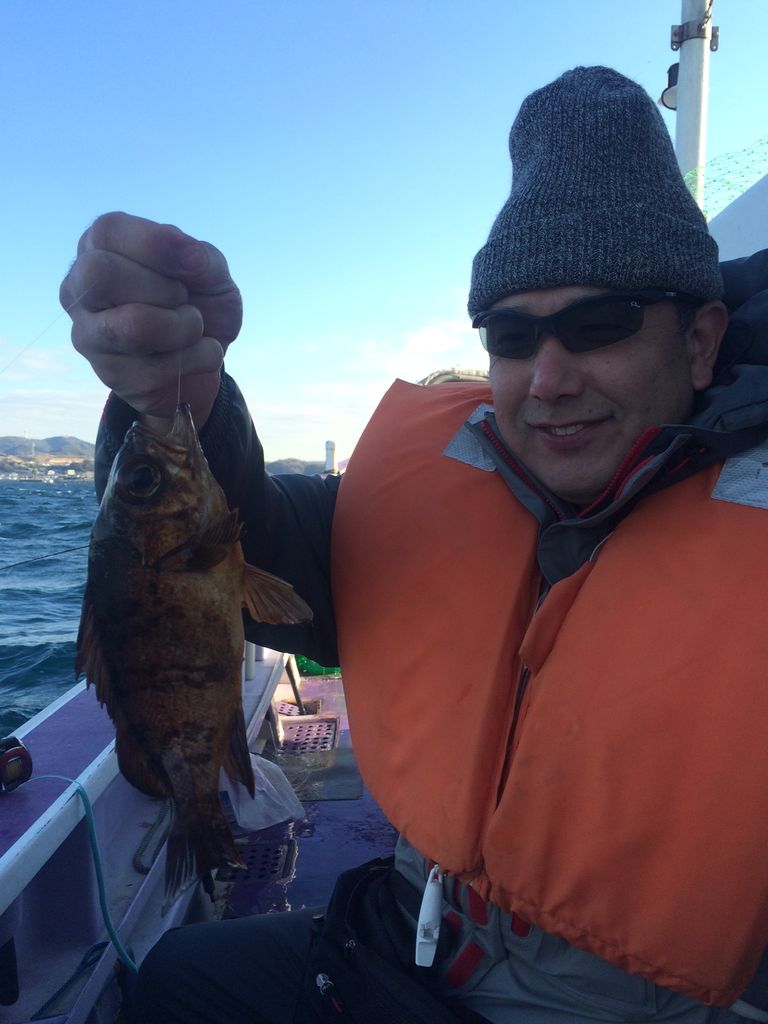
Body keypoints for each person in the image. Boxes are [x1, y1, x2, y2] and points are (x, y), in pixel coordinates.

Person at [61, 67, 768, 1024]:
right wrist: (175, 399)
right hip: (407, 935)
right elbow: (246, 539)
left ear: (699, 340)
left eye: (598, 326)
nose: (548, 379)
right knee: (176, 981)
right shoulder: (434, 492)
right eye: (511, 335)